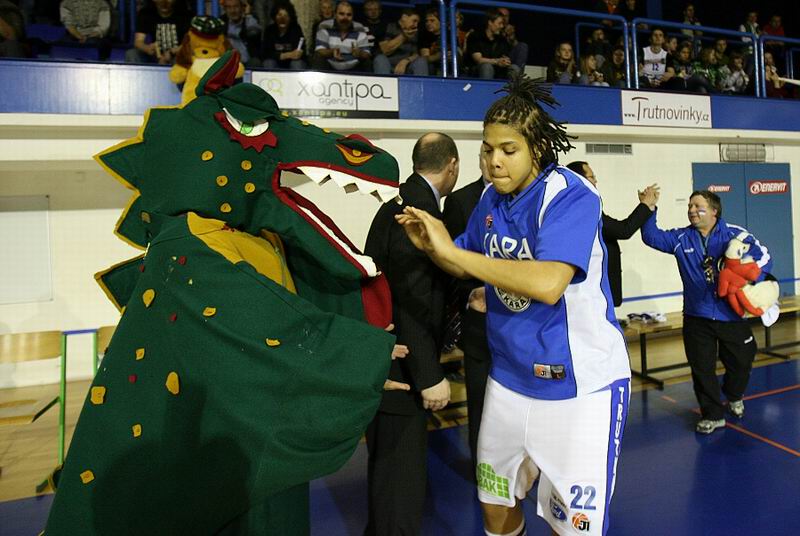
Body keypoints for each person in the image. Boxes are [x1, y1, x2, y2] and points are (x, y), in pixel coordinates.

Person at [397, 74, 631, 536]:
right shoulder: (490, 198)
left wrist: (453, 254)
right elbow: (465, 260)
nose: (494, 161)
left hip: (578, 388)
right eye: (487, 150)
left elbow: (548, 283)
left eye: (508, 150)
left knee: (573, 527)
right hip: (508, 379)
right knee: (494, 502)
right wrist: (433, 247)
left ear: (537, 149)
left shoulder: (570, 194)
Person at [363, 132, 459, 536]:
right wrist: (429, 374)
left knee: (387, 475)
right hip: (402, 366)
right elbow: (412, 297)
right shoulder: (419, 213)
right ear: (452, 165)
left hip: (385, 355)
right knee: (400, 483)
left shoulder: (394, 203)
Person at [641, 191, 772, 434]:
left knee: (742, 360)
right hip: (696, 316)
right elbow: (651, 237)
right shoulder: (681, 238)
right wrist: (648, 208)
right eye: (690, 206)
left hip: (731, 315)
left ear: (714, 211)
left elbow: (764, 257)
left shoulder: (735, 234)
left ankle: (734, 394)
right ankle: (712, 415)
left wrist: (750, 278)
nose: (691, 210)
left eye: (697, 206)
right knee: (702, 369)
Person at [441, 154, 491, 475]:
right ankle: (483, 470)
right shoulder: (461, 202)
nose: (495, 161)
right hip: (479, 321)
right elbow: (451, 264)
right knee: (481, 400)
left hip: (521, 323)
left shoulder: (528, 199)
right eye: (488, 153)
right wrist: (471, 294)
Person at [566, 161, 658, 308]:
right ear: (580, 180)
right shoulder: (583, 210)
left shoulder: (580, 207)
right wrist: (645, 205)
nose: (596, 181)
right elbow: (623, 230)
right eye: (592, 177)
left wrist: (648, 205)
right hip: (593, 294)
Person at [312, 0, 371, 72]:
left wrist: (360, 53)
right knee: (318, 56)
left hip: (354, 66)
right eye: (341, 14)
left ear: (353, 16)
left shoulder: (359, 28)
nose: (345, 18)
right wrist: (332, 52)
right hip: (330, 65)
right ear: (335, 14)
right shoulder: (324, 26)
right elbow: (320, 50)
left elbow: (367, 53)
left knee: (367, 61)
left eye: (349, 15)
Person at [125, 0, 191, 64]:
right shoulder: (146, 13)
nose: (164, 3)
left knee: (187, 58)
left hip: (177, 55)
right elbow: (138, 42)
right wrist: (147, 48)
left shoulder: (185, 15)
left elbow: (191, 43)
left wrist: (171, 52)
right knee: (132, 54)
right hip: (155, 55)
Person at [466, 8, 517, 80]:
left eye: (502, 24)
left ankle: (516, 87)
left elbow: (504, 56)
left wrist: (505, 61)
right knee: (487, 66)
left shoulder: (501, 39)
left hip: (498, 69)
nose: (502, 26)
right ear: (490, 22)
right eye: (499, 23)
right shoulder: (475, 36)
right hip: (479, 70)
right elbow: (478, 59)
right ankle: (486, 87)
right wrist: (497, 61)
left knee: (514, 68)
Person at [373, 8, 426, 76]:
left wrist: (406, 61)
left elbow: (416, 54)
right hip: (387, 64)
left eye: (417, 22)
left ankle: (421, 83)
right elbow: (385, 50)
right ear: (404, 17)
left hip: (407, 65)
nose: (416, 25)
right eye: (414, 21)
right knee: (380, 59)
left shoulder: (416, 31)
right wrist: (404, 36)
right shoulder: (387, 26)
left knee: (421, 61)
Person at [261, 1, 306, 70]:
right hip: (276, 62)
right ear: (275, 17)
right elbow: (266, 53)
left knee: (297, 63)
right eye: (279, 15)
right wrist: (286, 55)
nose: (282, 19)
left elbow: (299, 51)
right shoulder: (269, 30)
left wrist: (298, 53)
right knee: (268, 62)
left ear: (290, 18)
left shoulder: (295, 29)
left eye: (286, 16)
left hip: (292, 63)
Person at [221, 0, 261, 67]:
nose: (232, 11)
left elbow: (253, 32)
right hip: (228, 61)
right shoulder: (221, 22)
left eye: (236, 6)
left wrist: (247, 15)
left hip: (247, 61)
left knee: (255, 62)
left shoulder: (250, 20)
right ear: (225, 9)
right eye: (229, 7)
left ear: (242, 8)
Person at [497, 7, 528, 72]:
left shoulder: (511, 28)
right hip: (496, 57)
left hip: (508, 57)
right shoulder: (494, 27)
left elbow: (515, 47)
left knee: (523, 46)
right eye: (502, 15)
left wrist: (512, 37)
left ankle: (517, 73)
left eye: (506, 16)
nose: (504, 18)